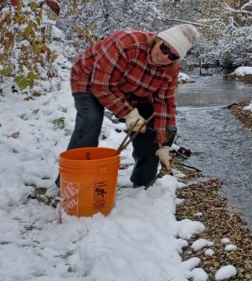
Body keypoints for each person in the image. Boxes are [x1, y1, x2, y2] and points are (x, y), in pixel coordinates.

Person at [57, 24, 200, 188]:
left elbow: (165, 103)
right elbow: (101, 86)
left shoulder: (171, 69)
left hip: (135, 89)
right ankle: (68, 184)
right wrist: (129, 114)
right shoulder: (126, 43)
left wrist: (164, 145)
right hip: (90, 80)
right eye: (164, 48)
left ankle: (142, 186)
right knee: (91, 120)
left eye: (173, 56)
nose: (164, 57)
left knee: (151, 131)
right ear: (158, 39)